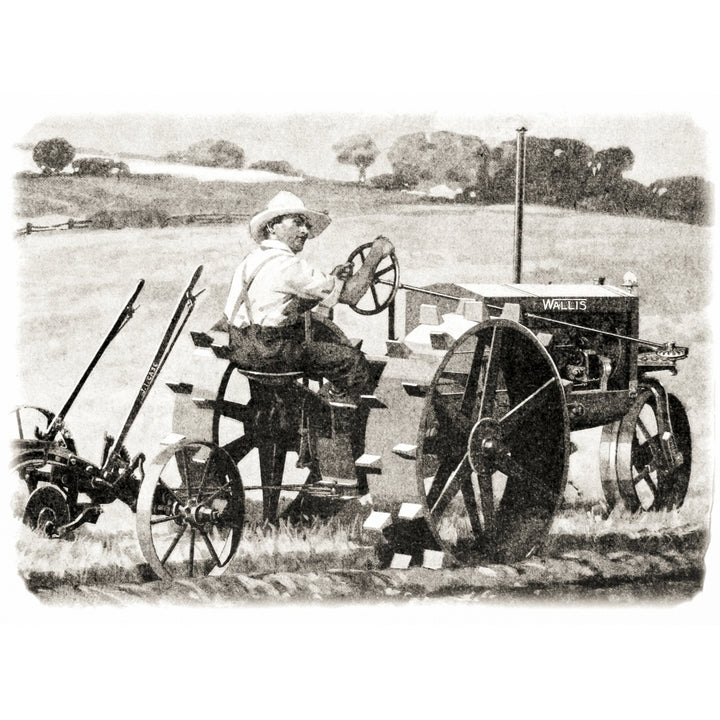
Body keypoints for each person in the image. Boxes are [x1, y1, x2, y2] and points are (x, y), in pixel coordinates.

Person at [224, 191, 394, 404]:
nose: (305, 230)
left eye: (306, 225)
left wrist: (333, 280)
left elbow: (286, 298)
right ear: (272, 227)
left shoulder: (251, 260)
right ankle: (338, 420)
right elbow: (351, 295)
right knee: (352, 361)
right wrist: (375, 255)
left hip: (242, 349)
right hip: (271, 353)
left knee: (318, 341)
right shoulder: (288, 265)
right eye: (297, 223)